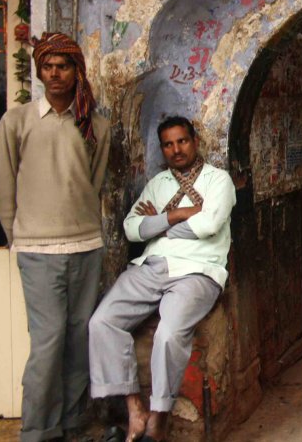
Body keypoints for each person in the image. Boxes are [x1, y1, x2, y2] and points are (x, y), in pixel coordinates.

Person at [0, 32, 110, 442]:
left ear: (77, 71)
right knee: (48, 340)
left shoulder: (95, 124)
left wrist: (85, 225)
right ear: (40, 72)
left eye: (64, 65)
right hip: (38, 249)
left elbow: (93, 184)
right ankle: (38, 429)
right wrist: (18, 235)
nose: (55, 73)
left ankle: (72, 423)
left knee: (79, 337)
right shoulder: (17, 121)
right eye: (48, 66)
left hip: (86, 245)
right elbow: (3, 185)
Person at [89, 116, 235, 442]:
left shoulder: (218, 181)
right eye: (168, 144)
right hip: (151, 266)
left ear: (194, 141)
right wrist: (178, 215)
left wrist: (156, 223)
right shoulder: (157, 185)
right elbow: (131, 228)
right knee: (102, 322)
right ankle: (134, 411)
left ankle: (158, 417)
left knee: (169, 334)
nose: (176, 149)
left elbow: (209, 226)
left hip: (198, 271)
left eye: (182, 141)